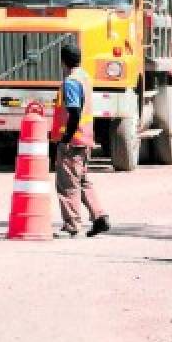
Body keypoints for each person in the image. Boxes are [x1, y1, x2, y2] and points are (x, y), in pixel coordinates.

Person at [52, 42, 110, 237]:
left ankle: (72, 225)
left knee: (67, 184)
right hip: (85, 138)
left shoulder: (70, 82)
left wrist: (65, 138)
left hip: (73, 141)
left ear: (63, 61)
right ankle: (99, 217)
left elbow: (74, 113)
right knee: (82, 180)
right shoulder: (84, 77)